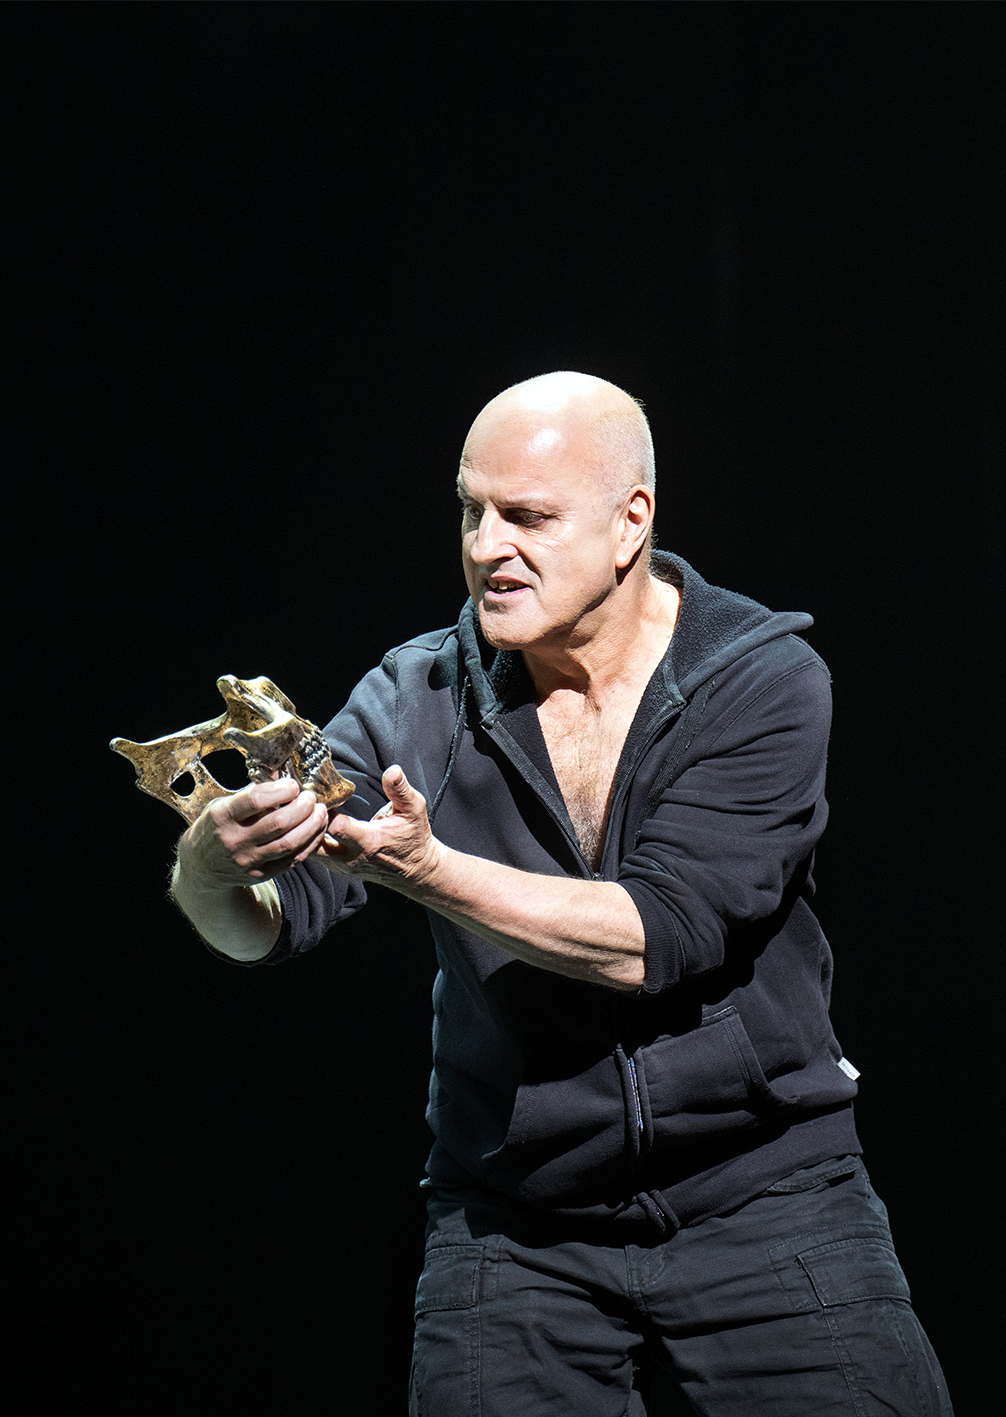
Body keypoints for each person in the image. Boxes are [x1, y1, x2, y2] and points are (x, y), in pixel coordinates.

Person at [168, 372, 952, 1415]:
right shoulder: (416, 696)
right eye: (470, 510)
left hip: (765, 1192)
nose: (487, 545)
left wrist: (433, 871)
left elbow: (658, 935)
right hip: (518, 1222)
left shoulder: (758, 679)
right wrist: (213, 867)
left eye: (527, 516)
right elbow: (268, 925)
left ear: (632, 523)